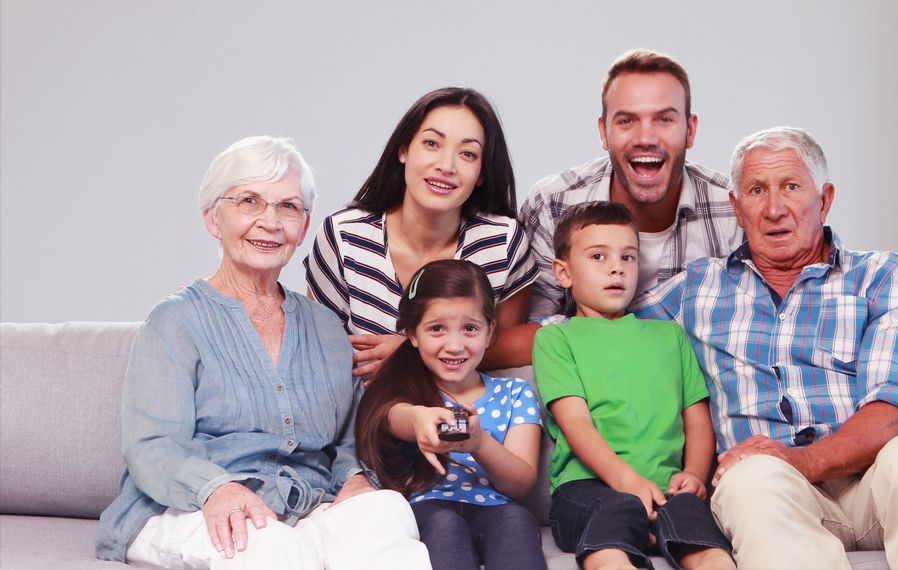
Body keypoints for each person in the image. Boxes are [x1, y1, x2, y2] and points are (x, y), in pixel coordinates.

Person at [635, 127, 898, 569]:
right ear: (736, 208)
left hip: (873, 480)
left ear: (824, 199)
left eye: (790, 187)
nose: (773, 209)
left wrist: (800, 459)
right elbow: (602, 324)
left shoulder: (883, 276)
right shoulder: (697, 288)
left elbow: (893, 411)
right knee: (750, 480)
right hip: (769, 490)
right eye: (756, 190)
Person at [95, 136, 430, 569]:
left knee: (386, 510)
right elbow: (153, 446)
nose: (270, 222)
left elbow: (349, 439)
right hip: (192, 510)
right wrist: (217, 489)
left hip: (301, 509)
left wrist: (354, 478)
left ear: (304, 227)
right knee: (271, 548)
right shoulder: (174, 322)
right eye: (249, 201)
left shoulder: (326, 328)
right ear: (213, 219)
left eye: (288, 207)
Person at [533, 202, 734, 570]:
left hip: (666, 491)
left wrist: (693, 473)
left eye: (628, 257)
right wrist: (626, 480)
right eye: (598, 256)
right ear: (563, 272)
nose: (616, 267)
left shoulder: (669, 336)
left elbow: (697, 419)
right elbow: (575, 423)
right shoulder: (555, 339)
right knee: (618, 516)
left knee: (701, 534)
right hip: (587, 490)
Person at [305, 87, 538, 374]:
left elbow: (497, 358)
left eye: (467, 153)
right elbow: (318, 356)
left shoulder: (502, 243)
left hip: (469, 414)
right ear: (403, 151)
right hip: (363, 413)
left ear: (482, 174)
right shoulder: (343, 236)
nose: (446, 165)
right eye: (431, 143)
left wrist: (410, 354)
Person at [520, 49, 742, 321]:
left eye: (664, 119)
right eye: (626, 121)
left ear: (690, 130)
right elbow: (521, 333)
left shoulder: (735, 210)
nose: (645, 138)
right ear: (604, 132)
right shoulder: (552, 203)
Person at [353, 259, 546, 570]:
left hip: (496, 508)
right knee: (445, 524)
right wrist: (419, 419)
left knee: (516, 519)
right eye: (436, 329)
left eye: (469, 328)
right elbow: (392, 416)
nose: (454, 345)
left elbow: (521, 486)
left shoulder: (515, 393)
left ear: (489, 331)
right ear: (413, 334)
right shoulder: (404, 391)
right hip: (426, 508)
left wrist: (481, 443)